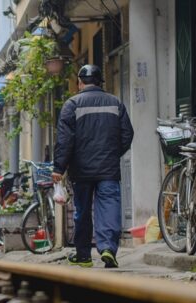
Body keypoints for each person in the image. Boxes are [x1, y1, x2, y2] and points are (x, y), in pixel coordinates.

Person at [52, 64, 134, 268]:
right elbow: (127, 134)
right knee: (109, 207)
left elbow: (64, 141)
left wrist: (59, 168)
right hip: (109, 168)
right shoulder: (116, 103)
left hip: (81, 170)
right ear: (99, 82)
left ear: (79, 82)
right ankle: (108, 248)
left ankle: (83, 255)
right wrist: (113, 154)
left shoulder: (72, 105)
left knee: (82, 211)